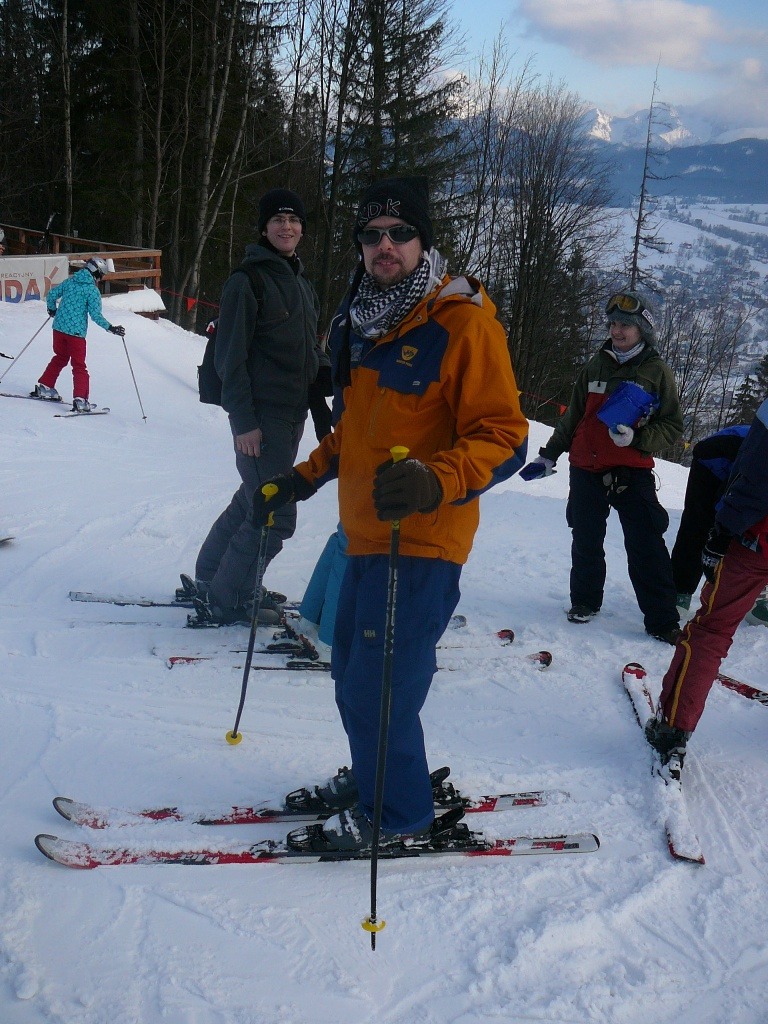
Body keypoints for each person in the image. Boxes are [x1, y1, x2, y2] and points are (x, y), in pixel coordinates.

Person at [250, 175, 528, 852]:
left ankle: (396, 816)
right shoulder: (365, 319)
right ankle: (376, 778)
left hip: (423, 541)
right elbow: (358, 431)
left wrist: (437, 480)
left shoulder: (460, 323)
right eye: (371, 235)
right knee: (354, 677)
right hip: (367, 538)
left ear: (422, 241)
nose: (385, 245)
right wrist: (304, 477)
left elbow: (507, 436)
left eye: (400, 233)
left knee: (382, 691)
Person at [188, 188, 321, 627]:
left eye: (294, 220)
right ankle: (230, 598)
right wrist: (243, 422)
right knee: (275, 512)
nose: (287, 227)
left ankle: (213, 576)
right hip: (260, 417)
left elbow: (309, 354)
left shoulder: (300, 282)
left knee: (252, 499)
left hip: (290, 415)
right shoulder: (248, 281)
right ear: (264, 228)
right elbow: (230, 357)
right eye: (278, 220)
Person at [521, 290, 684, 644]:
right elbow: (574, 416)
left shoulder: (656, 371)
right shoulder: (596, 364)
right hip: (585, 468)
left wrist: (638, 439)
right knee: (585, 541)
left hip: (630, 472)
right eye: (613, 323)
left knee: (646, 545)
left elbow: (672, 427)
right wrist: (549, 454)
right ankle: (584, 603)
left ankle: (662, 620)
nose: (617, 330)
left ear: (642, 329)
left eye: (625, 324)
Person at [646, 396, 768, 779]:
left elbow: (755, 477)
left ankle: (673, 727)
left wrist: (722, 532)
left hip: (755, 543)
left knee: (711, 630)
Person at [670, 424, 749, 611]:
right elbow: (732, 497)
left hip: (742, 470)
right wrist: (723, 531)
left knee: (755, 537)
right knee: (698, 526)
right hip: (712, 461)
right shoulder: (757, 457)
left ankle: (753, 595)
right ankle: (679, 591)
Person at [33, 256, 125, 412]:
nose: (100, 279)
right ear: (96, 273)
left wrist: (52, 310)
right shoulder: (92, 291)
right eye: (100, 276)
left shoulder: (70, 282)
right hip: (75, 334)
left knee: (60, 357)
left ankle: (45, 386)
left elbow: (51, 295)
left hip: (59, 330)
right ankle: (81, 400)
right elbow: (95, 315)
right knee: (79, 366)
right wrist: (111, 328)